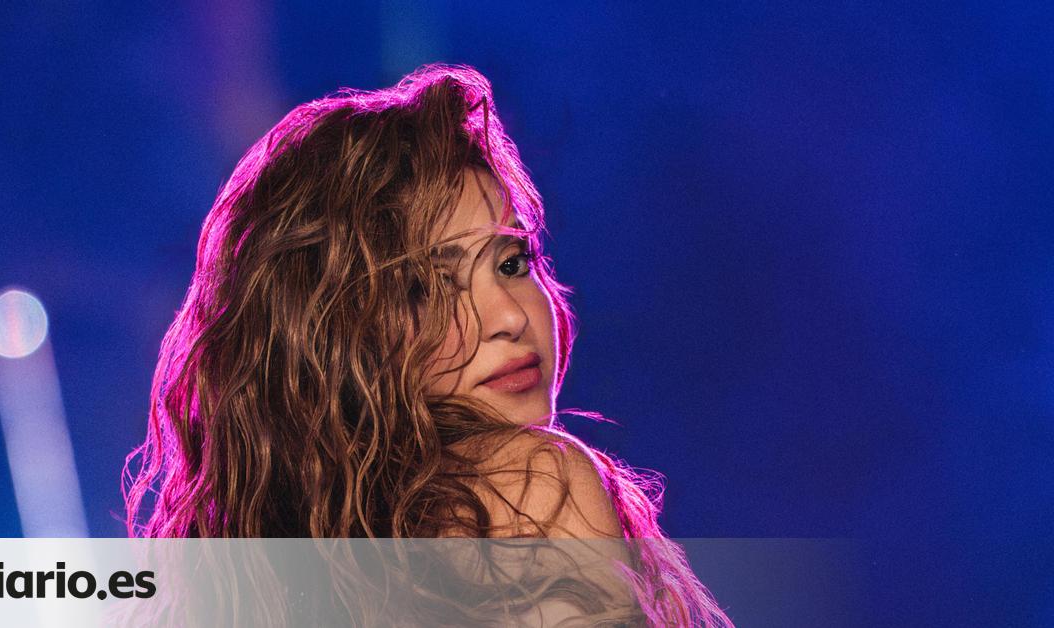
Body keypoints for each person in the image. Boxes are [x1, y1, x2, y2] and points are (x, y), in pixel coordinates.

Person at [124, 63, 731, 626]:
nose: (508, 317)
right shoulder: (531, 489)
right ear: (336, 339)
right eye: (426, 288)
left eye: (513, 263)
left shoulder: (263, 583)